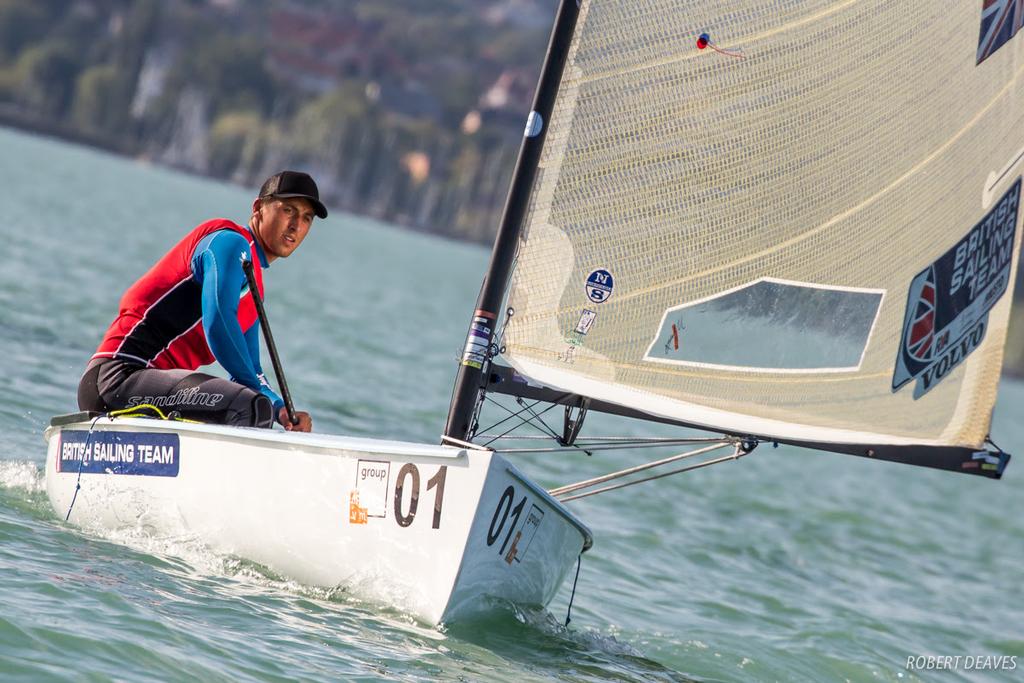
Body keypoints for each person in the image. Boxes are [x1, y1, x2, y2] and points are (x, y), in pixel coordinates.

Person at [77, 171, 327, 432]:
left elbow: (252, 370)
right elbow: (219, 323)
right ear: (258, 208)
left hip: (147, 391)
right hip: (115, 379)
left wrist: (280, 409)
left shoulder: (254, 289)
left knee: (259, 406)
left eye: (306, 218)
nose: (296, 225)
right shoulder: (231, 244)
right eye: (288, 210)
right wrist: (264, 402)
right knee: (252, 407)